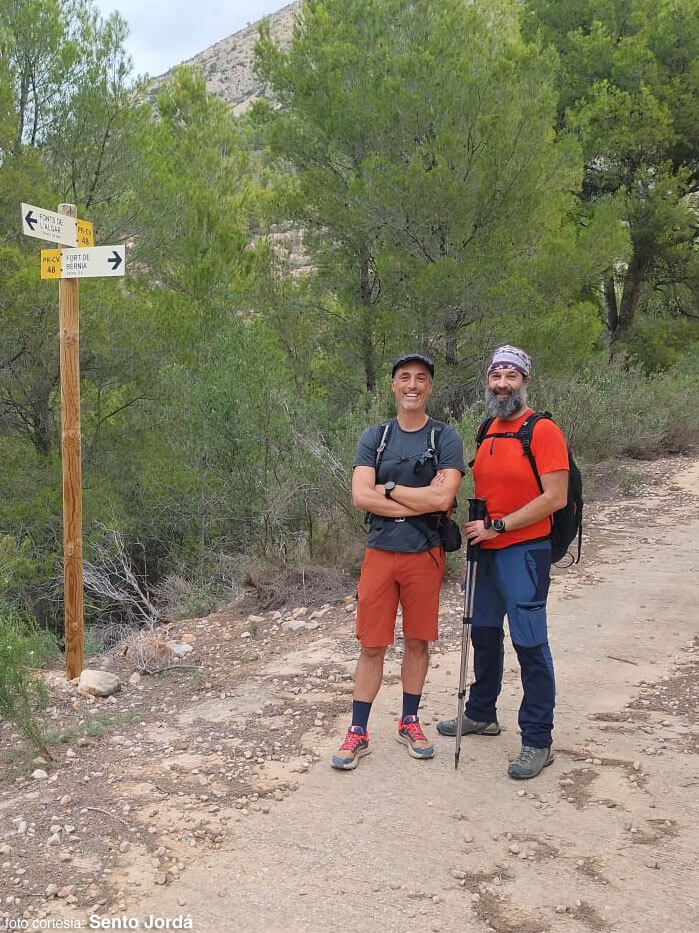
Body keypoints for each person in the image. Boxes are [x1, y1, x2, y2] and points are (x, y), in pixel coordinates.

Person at [436, 345, 569, 779]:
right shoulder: (487, 427)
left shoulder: (543, 430)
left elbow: (556, 497)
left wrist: (501, 524)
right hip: (485, 551)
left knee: (530, 642)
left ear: (526, 381)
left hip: (525, 550)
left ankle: (537, 740)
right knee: (484, 636)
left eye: (511, 375)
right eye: (496, 375)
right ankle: (481, 712)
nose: (502, 383)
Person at [331, 353, 464, 770]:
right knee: (372, 644)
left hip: (424, 553)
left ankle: (409, 720)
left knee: (418, 640)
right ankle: (358, 731)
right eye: (404, 377)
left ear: (429, 387)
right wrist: (413, 499)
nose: (412, 385)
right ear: (393, 385)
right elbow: (359, 496)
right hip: (381, 552)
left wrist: (387, 489)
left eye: (420, 378)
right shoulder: (376, 436)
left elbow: (442, 499)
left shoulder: (445, 438)